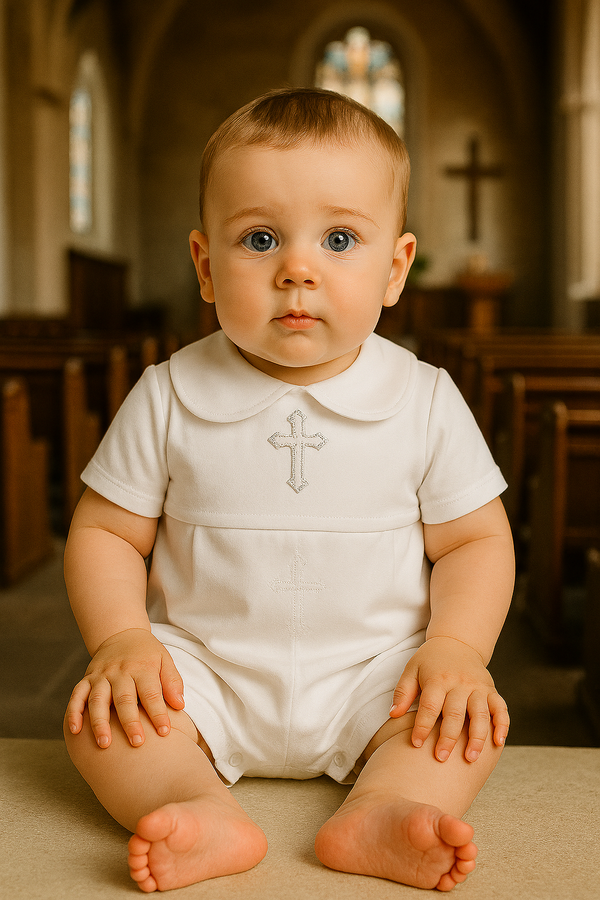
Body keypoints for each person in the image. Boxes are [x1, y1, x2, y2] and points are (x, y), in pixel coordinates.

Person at [63, 88, 514, 894]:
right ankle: (192, 802)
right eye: (260, 238)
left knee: (464, 722)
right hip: (202, 671)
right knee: (103, 719)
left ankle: (385, 804)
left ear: (395, 269)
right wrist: (121, 641)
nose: (296, 269)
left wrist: (457, 651)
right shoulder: (168, 393)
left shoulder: (425, 398)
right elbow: (105, 533)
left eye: (340, 239)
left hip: (378, 675)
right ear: (205, 265)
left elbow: (476, 540)